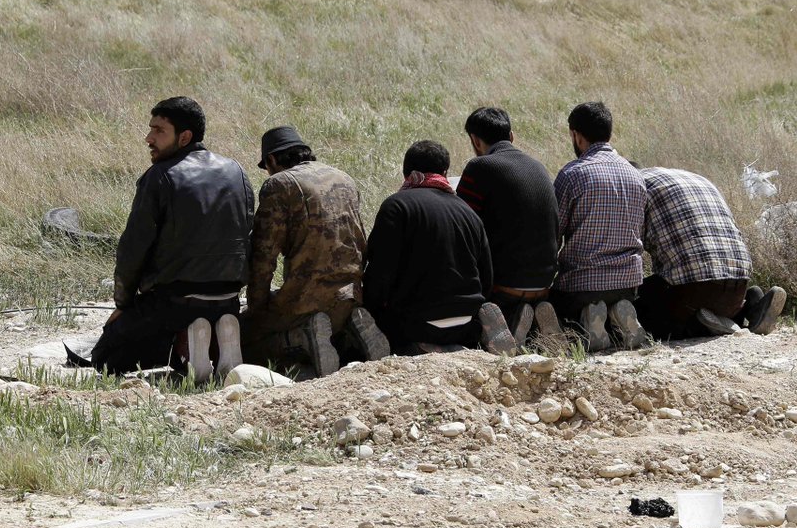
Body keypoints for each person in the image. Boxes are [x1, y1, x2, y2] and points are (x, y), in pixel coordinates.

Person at [90, 96, 254, 379]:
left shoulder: (159, 177)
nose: (148, 138)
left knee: (104, 359)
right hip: (229, 299)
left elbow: (132, 250)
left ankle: (188, 344)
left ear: (184, 137)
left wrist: (124, 306)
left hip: (175, 303)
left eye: (158, 130)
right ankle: (215, 341)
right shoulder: (237, 171)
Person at [241, 126, 389, 377]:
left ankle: (302, 338)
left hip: (306, 301)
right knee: (333, 329)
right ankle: (351, 327)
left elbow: (263, 258)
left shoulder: (279, 184)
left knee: (247, 338)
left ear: (272, 160)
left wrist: (256, 310)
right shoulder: (345, 179)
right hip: (350, 295)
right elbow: (360, 241)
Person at [363, 140, 516, 355]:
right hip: (466, 322)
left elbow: (379, 272)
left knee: (373, 326)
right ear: (445, 172)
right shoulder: (468, 211)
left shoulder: (397, 206)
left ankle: (411, 346)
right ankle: (475, 338)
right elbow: (486, 277)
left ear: (406, 171)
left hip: (416, 322)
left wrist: (371, 308)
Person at [635, 166, 786, 337]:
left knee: (636, 305)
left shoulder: (633, 186)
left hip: (693, 292)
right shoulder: (695, 177)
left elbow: (628, 254)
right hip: (738, 285)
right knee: (696, 285)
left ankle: (700, 323)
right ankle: (747, 306)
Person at [456, 107, 563, 348]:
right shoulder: (539, 167)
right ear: (511, 136)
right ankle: (532, 323)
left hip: (503, 288)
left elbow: (460, 227)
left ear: (474, 140)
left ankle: (498, 325)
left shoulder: (479, 168)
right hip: (544, 284)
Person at [553, 101, 648, 352]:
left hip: (581, 283)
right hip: (628, 284)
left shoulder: (572, 174)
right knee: (616, 320)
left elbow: (554, 234)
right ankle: (619, 313)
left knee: (557, 310)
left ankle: (589, 321)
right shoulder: (636, 175)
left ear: (576, 135)